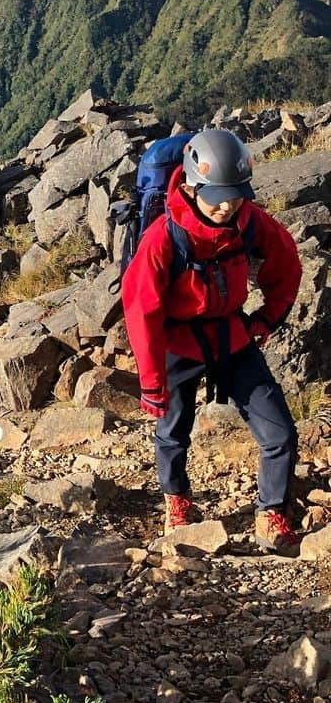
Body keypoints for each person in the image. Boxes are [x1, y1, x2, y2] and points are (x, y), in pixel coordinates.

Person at [121, 128, 303, 555]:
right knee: (172, 431)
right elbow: (141, 308)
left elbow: (287, 263)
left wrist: (266, 319)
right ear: (190, 184)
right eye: (218, 195)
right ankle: (178, 501)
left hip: (230, 335)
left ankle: (271, 511)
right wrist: (151, 381)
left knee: (279, 431)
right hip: (178, 343)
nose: (227, 205)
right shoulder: (163, 238)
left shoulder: (249, 222)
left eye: (236, 195)